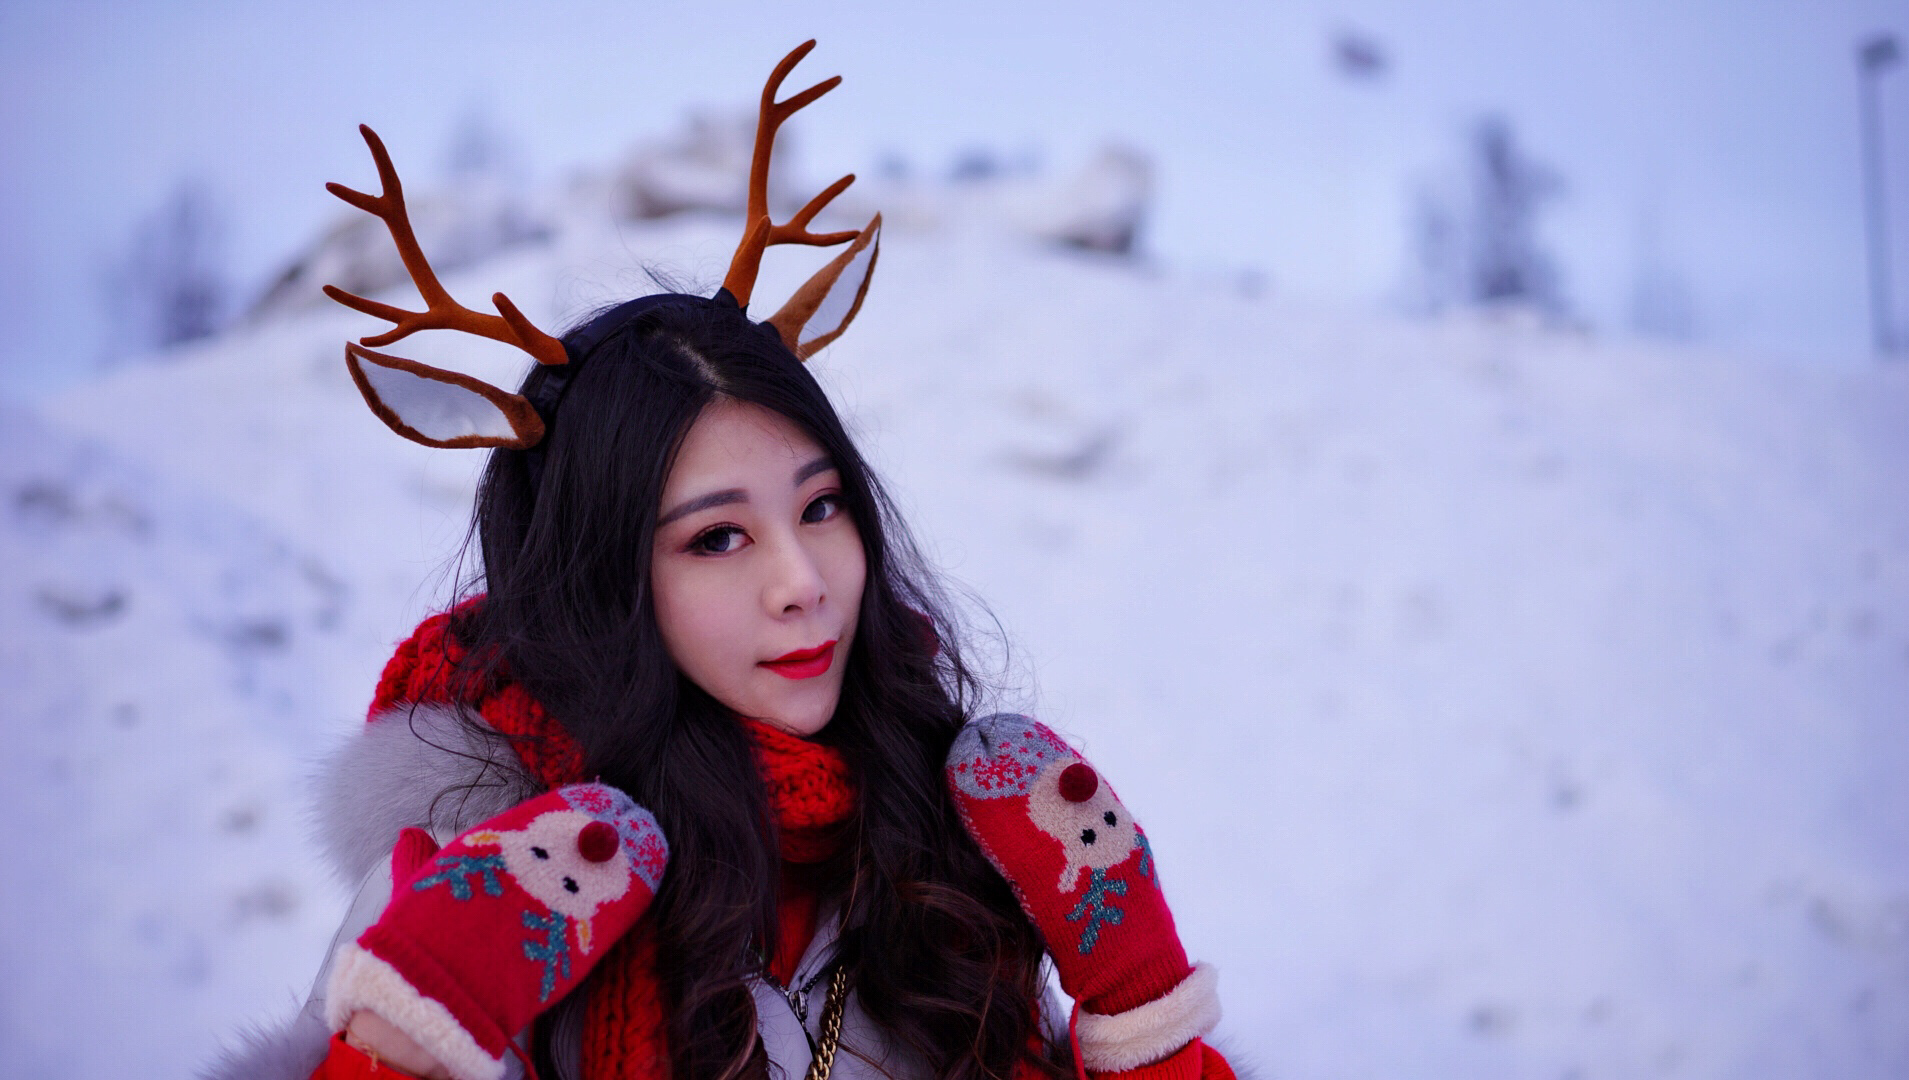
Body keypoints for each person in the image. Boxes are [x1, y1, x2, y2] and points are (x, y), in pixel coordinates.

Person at [204, 42, 1231, 1080]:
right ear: (600, 581)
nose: (804, 583)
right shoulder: (486, 876)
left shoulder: (961, 838)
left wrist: (1143, 1016)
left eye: (821, 507)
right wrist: (394, 1049)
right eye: (717, 537)